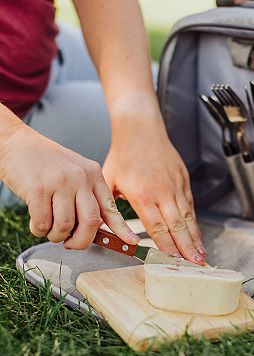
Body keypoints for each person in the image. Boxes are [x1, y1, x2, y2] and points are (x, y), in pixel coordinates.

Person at [0, 0, 206, 264]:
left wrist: (137, 118)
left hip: (45, 49)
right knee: (195, 122)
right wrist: (11, 142)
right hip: (16, 114)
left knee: (190, 94)